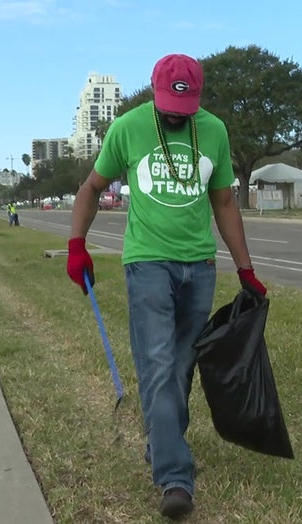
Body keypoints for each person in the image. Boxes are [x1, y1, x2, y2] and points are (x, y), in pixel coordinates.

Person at [66, 53, 267, 519]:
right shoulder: (127, 128)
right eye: (169, 107)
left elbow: (224, 201)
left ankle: (159, 441)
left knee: (182, 367)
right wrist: (77, 244)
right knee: (157, 364)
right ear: (154, 93)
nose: (177, 115)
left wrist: (245, 269)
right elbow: (92, 187)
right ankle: (175, 477)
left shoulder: (213, 131)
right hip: (147, 263)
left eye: (185, 108)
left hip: (198, 266)